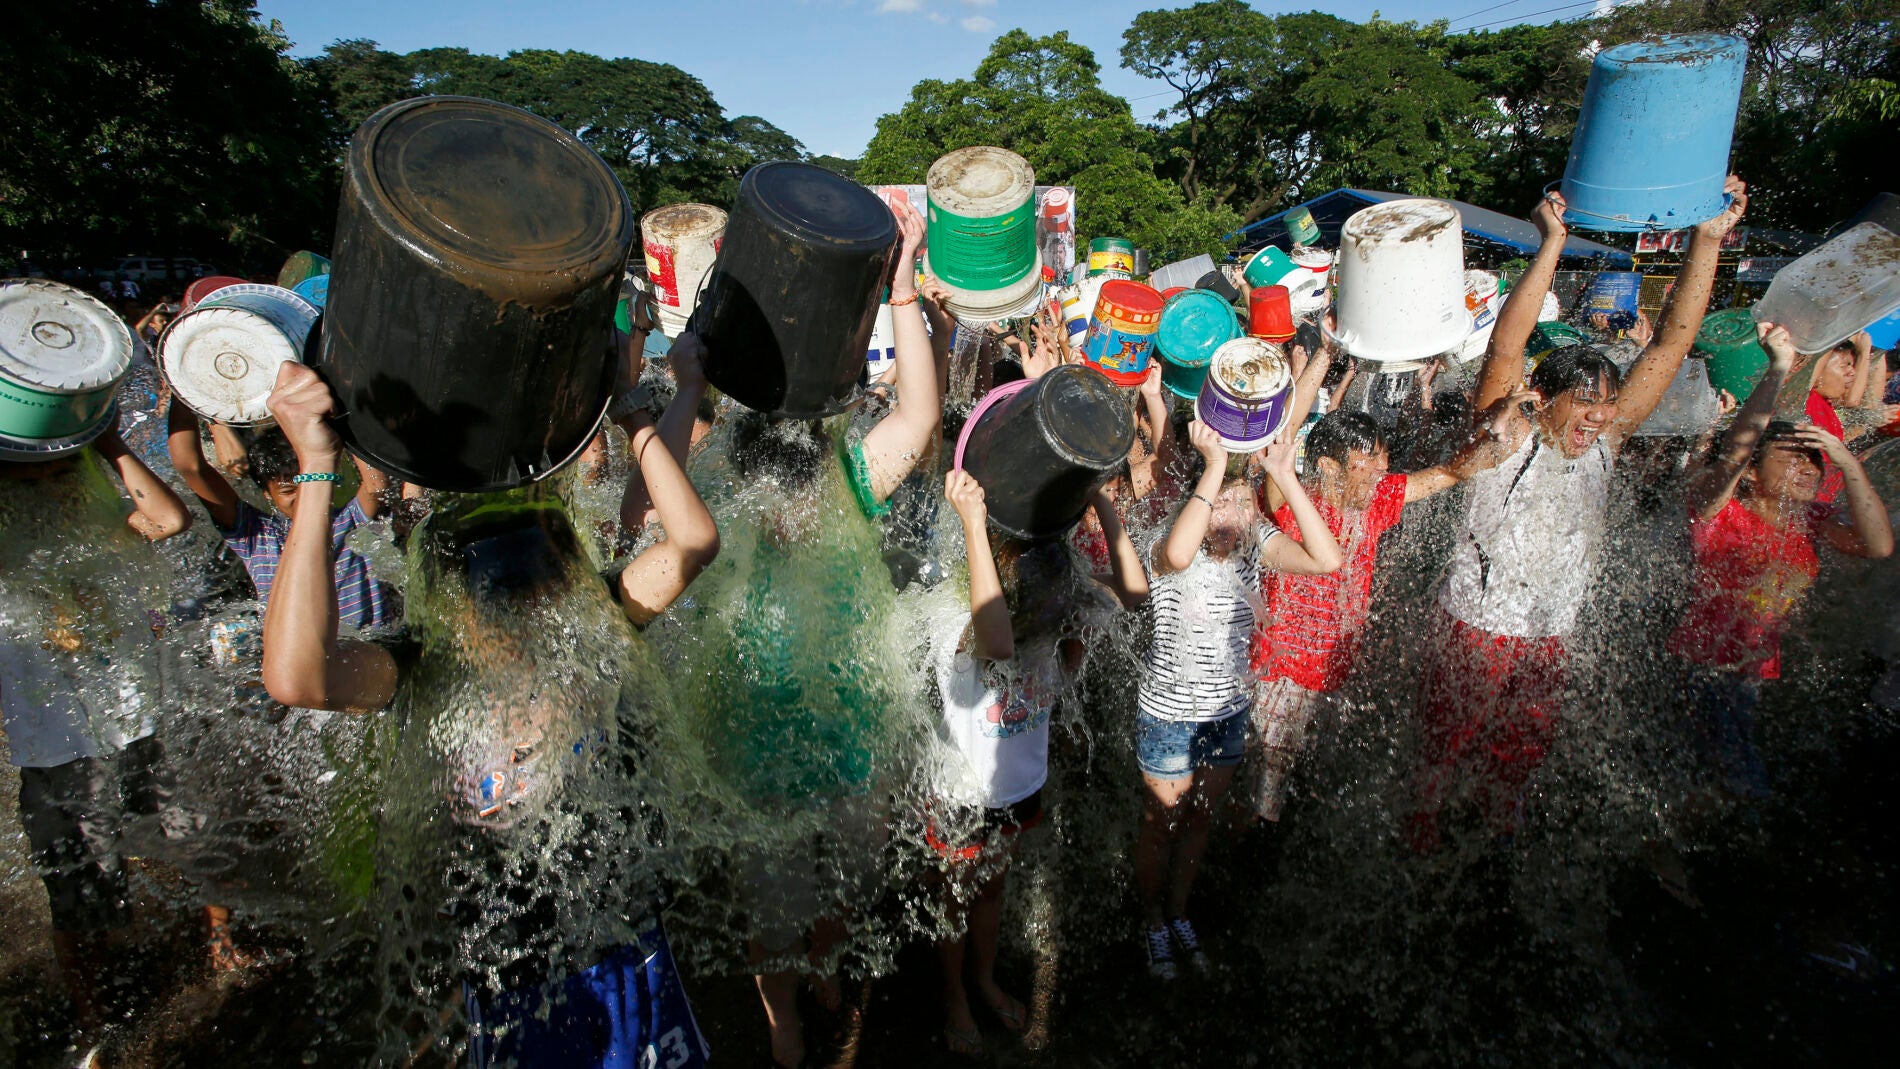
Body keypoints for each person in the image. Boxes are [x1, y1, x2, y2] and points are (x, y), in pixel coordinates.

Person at [257, 336, 720, 1067]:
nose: (519, 609)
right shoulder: (423, 670)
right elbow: (295, 675)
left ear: (564, 579)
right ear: (449, 604)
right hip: (513, 970)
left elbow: (693, 540)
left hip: (624, 939)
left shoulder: (595, 621)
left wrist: (630, 405)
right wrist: (316, 468)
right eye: (493, 594)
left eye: (537, 583)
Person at [657, 200, 940, 1068]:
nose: (793, 516)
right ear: (750, 486)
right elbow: (647, 505)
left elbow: (921, 417)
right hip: (754, 742)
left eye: (803, 498)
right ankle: (780, 1008)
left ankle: (822, 961)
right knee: (769, 898)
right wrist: (686, 392)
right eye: (782, 501)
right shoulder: (714, 487)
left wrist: (900, 291)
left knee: (848, 884)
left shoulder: (850, 480)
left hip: (850, 731)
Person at [1408, 178, 1747, 848]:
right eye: (1586, 400)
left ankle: (1494, 865)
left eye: (1607, 402)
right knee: (1436, 768)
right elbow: (1508, 346)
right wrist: (1551, 244)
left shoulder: (1606, 442)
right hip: (1474, 630)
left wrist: (1706, 242)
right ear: (1544, 395)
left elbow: (1671, 348)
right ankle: (1416, 857)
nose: (1599, 414)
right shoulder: (1505, 434)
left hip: (1547, 638)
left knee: (1512, 774)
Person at [929, 470, 1145, 1055]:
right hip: (959, 791)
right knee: (952, 896)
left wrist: (1099, 499)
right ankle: (953, 995)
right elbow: (997, 640)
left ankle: (982, 979)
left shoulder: (1053, 610)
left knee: (992, 890)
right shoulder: (956, 614)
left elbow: (1132, 590)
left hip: (1017, 784)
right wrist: (974, 523)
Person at [0, 422, 192, 1060]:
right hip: (54, 747)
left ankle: (215, 939)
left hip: (135, 716)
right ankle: (91, 1018)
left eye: (60, 466)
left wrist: (106, 442)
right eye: (31, 463)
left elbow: (168, 521)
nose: (46, 475)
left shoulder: (98, 516)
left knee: (185, 837)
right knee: (80, 888)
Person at [1134, 420, 1341, 980]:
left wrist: (1282, 475)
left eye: (1239, 506)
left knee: (1200, 819)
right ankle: (1151, 920)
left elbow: (1327, 560)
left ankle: (1178, 913)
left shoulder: (1255, 544)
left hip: (1226, 715)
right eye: (1218, 504)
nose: (1229, 519)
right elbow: (1178, 557)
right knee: (1161, 824)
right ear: (1198, 500)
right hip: (1169, 716)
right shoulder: (1164, 539)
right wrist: (1216, 467)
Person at [1668, 322, 1892, 797]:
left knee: (1715, 767)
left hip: (1755, 665)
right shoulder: (1718, 510)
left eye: (1813, 461)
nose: (1806, 469)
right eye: (1791, 458)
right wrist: (1778, 369)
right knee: (1731, 774)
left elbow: (1878, 545)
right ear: (1751, 474)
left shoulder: (1808, 521)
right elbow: (1736, 451)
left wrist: (1847, 462)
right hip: (1701, 664)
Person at [167, 400, 395, 628]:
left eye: (310, 484)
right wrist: (184, 395)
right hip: (298, 656)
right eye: (288, 490)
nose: (303, 497)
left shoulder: (350, 522)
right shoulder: (256, 537)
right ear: (267, 493)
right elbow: (192, 467)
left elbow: (377, 486)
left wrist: (343, 412)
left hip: (373, 647)